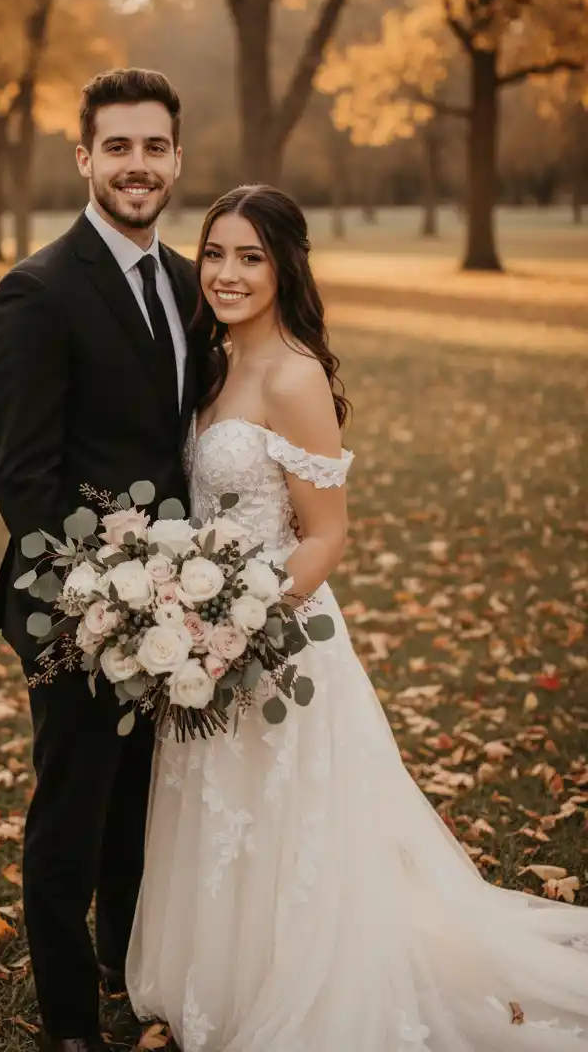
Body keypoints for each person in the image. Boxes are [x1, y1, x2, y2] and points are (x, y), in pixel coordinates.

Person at [126, 184, 588, 1052]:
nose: (225, 273)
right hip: (199, 638)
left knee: (286, 822)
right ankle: (221, 976)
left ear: (286, 266)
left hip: (276, 641)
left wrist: (239, 627)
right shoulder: (210, 361)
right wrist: (186, 619)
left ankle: (300, 984)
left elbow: (328, 535)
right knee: (222, 815)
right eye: (215, 253)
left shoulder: (295, 377)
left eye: (250, 257)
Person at [0, 69, 199, 1052]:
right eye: (117, 147)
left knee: (140, 809)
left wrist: (190, 589)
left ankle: (125, 969)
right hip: (74, 608)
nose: (137, 165)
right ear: (84, 159)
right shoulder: (35, 291)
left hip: (186, 607)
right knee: (72, 814)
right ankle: (71, 1023)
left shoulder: (194, 282)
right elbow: (23, 485)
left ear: (177, 159)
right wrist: (108, 592)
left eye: (154, 146)